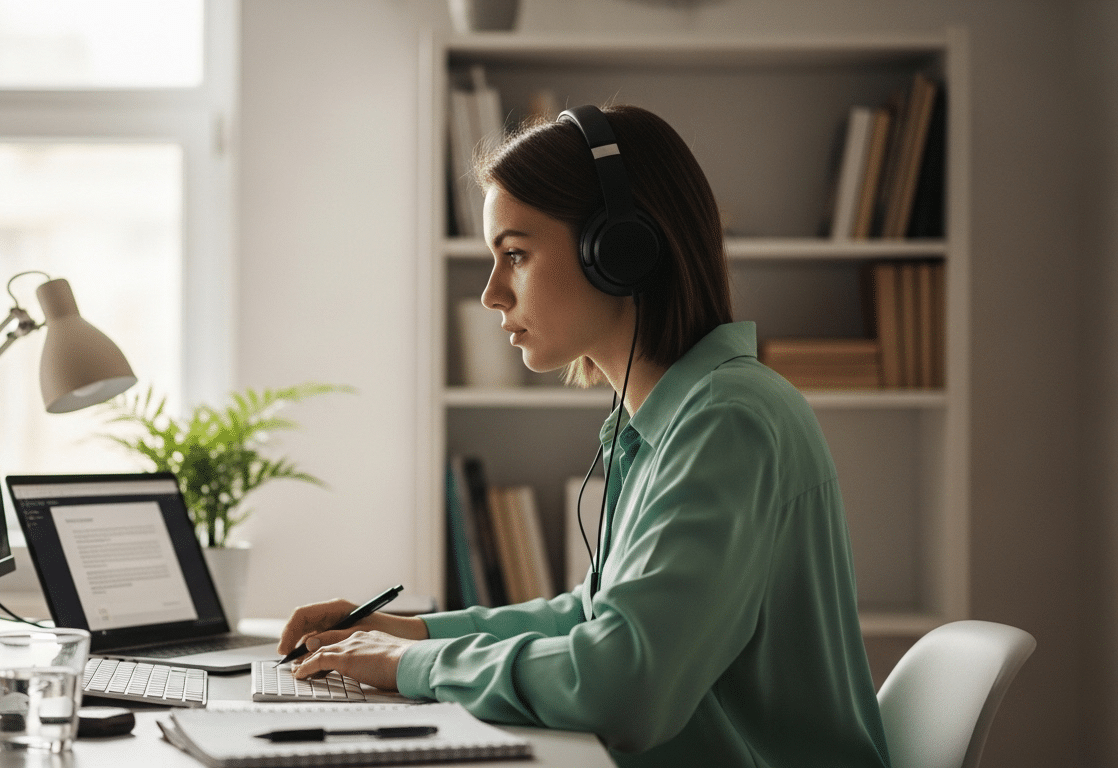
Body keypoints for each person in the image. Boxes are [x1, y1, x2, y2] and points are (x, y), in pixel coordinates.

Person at [278, 104, 890, 767]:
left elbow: (626, 683)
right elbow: (596, 619)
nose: (490, 294)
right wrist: (405, 632)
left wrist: (412, 664)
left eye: (515, 254)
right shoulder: (667, 420)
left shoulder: (728, 421)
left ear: (619, 252)